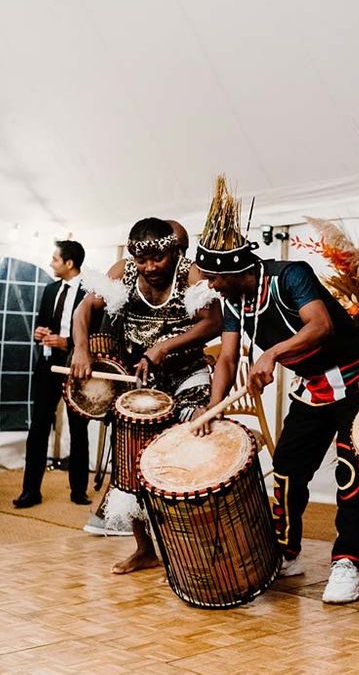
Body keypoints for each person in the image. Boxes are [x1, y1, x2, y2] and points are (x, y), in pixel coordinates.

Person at [192, 176, 359, 604]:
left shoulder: (291, 275)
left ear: (235, 269)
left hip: (354, 381)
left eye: (215, 278)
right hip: (313, 390)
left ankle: (348, 563)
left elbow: (321, 325)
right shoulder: (234, 302)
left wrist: (272, 353)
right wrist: (214, 409)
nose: (211, 286)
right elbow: (227, 356)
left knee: (352, 475)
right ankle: (286, 553)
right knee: (290, 470)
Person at [71, 217, 220, 573]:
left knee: (194, 438)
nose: (150, 268)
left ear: (173, 252)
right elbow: (83, 310)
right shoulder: (122, 272)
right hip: (139, 379)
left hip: (186, 373)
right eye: (142, 261)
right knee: (128, 463)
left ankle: (204, 544)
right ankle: (145, 549)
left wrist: (165, 347)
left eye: (158, 259)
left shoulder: (191, 274)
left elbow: (213, 322)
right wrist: (80, 348)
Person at [13, 240, 92, 509]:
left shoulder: (91, 293)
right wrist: (40, 334)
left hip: (76, 369)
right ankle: (30, 491)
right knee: (38, 428)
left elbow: (97, 334)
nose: (50, 263)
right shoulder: (49, 290)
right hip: (47, 368)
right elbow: (43, 324)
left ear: (69, 263)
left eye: (55, 259)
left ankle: (78, 491)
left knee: (78, 428)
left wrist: (67, 342)